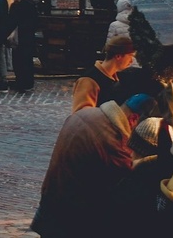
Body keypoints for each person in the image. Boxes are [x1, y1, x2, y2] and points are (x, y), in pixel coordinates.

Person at [31, 94, 156, 237]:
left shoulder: (86, 113)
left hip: (51, 205)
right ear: (133, 119)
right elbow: (127, 182)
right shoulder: (113, 143)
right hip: (71, 220)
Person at [71, 34, 136, 113]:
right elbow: (82, 115)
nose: (131, 61)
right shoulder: (89, 80)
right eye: (130, 56)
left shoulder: (116, 77)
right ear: (118, 56)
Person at [8, 0, 37, 92]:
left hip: (20, 37)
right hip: (29, 37)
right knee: (28, 61)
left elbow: (12, 21)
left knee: (18, 61)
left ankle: (20, 82)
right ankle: (28, 82)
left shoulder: (16, 6)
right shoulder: (31, 5)